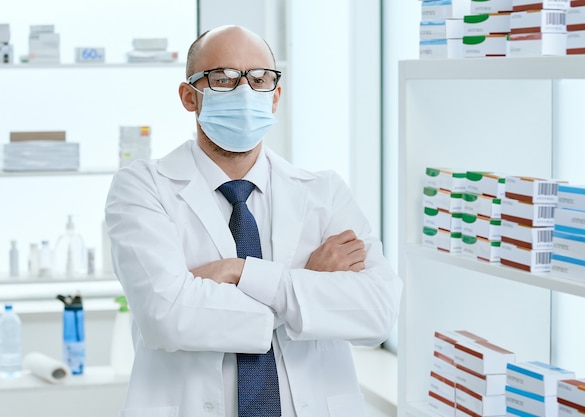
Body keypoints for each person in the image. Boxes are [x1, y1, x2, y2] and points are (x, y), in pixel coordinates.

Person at [105, 24, 402, 417]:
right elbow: (167, 315)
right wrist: (306, 286)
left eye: (259, 79)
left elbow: (377, 313)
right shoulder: (142, 188)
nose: (244, 92)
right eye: (223, 79)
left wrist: (240, 272)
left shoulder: (324, 192)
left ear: (275, 97)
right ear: (189, 96)